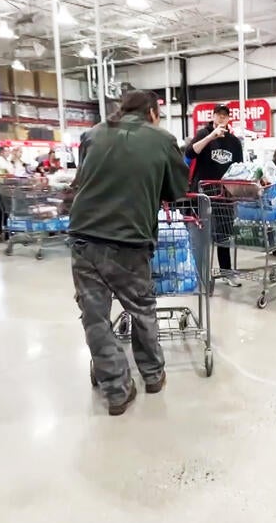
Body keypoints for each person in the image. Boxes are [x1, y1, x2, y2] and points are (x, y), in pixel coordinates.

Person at [68, 90, 188, 416]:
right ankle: (152, 375)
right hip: (130, 242)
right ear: (152, 113)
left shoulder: (92, 134)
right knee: (141, 309)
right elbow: (176, 191)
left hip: (84, 239)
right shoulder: (162, 139)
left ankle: (117, 390)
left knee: (94, 317)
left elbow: (85, 179)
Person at [186, 103, 244, 287]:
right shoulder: (204, 134)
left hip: (224, 193)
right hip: (203, 192)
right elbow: (189, 152)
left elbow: (239, 168)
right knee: (201, 235)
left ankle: (227, 272)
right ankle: (201, 275)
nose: (221, 118)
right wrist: (211, 136)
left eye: (224, 116)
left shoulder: (234, 142)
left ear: (228, 119)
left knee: (225, 234)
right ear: (212, 116)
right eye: (218, 115)